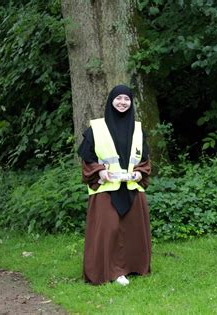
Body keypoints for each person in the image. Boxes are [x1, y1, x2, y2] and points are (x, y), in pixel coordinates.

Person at [77, 84, 152, 285]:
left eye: (126, 99)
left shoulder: (138, 129)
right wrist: (100, 171)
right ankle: (108, 271)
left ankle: (132, 267)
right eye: (118, 98)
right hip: (106, 189)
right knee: (108, 230)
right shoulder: (97, 128)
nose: (122, 102)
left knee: (132, 231)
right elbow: (87, 158)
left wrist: (138, 174)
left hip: (131, 189)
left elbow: (144, 160)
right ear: (111, 101)